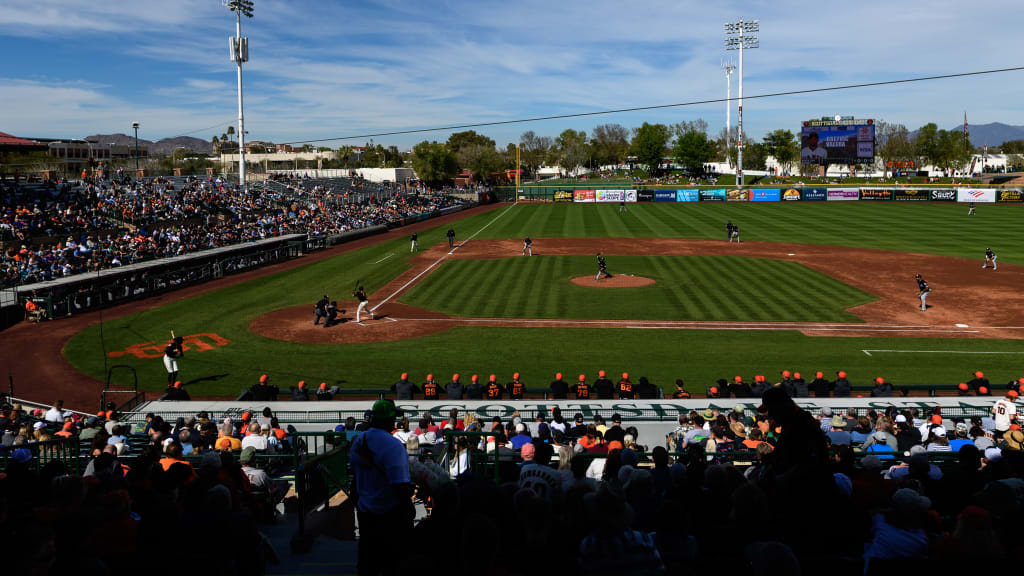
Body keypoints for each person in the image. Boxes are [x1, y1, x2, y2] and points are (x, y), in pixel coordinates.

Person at [350, 399, 413, 576]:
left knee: (367, 562)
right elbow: (399, 486)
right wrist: (408, 511)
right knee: (391, 562)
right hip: (389, 513)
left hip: (365, 511)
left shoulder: (359, 441)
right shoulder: (393, 446)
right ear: (388, 421)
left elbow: (355, 477)